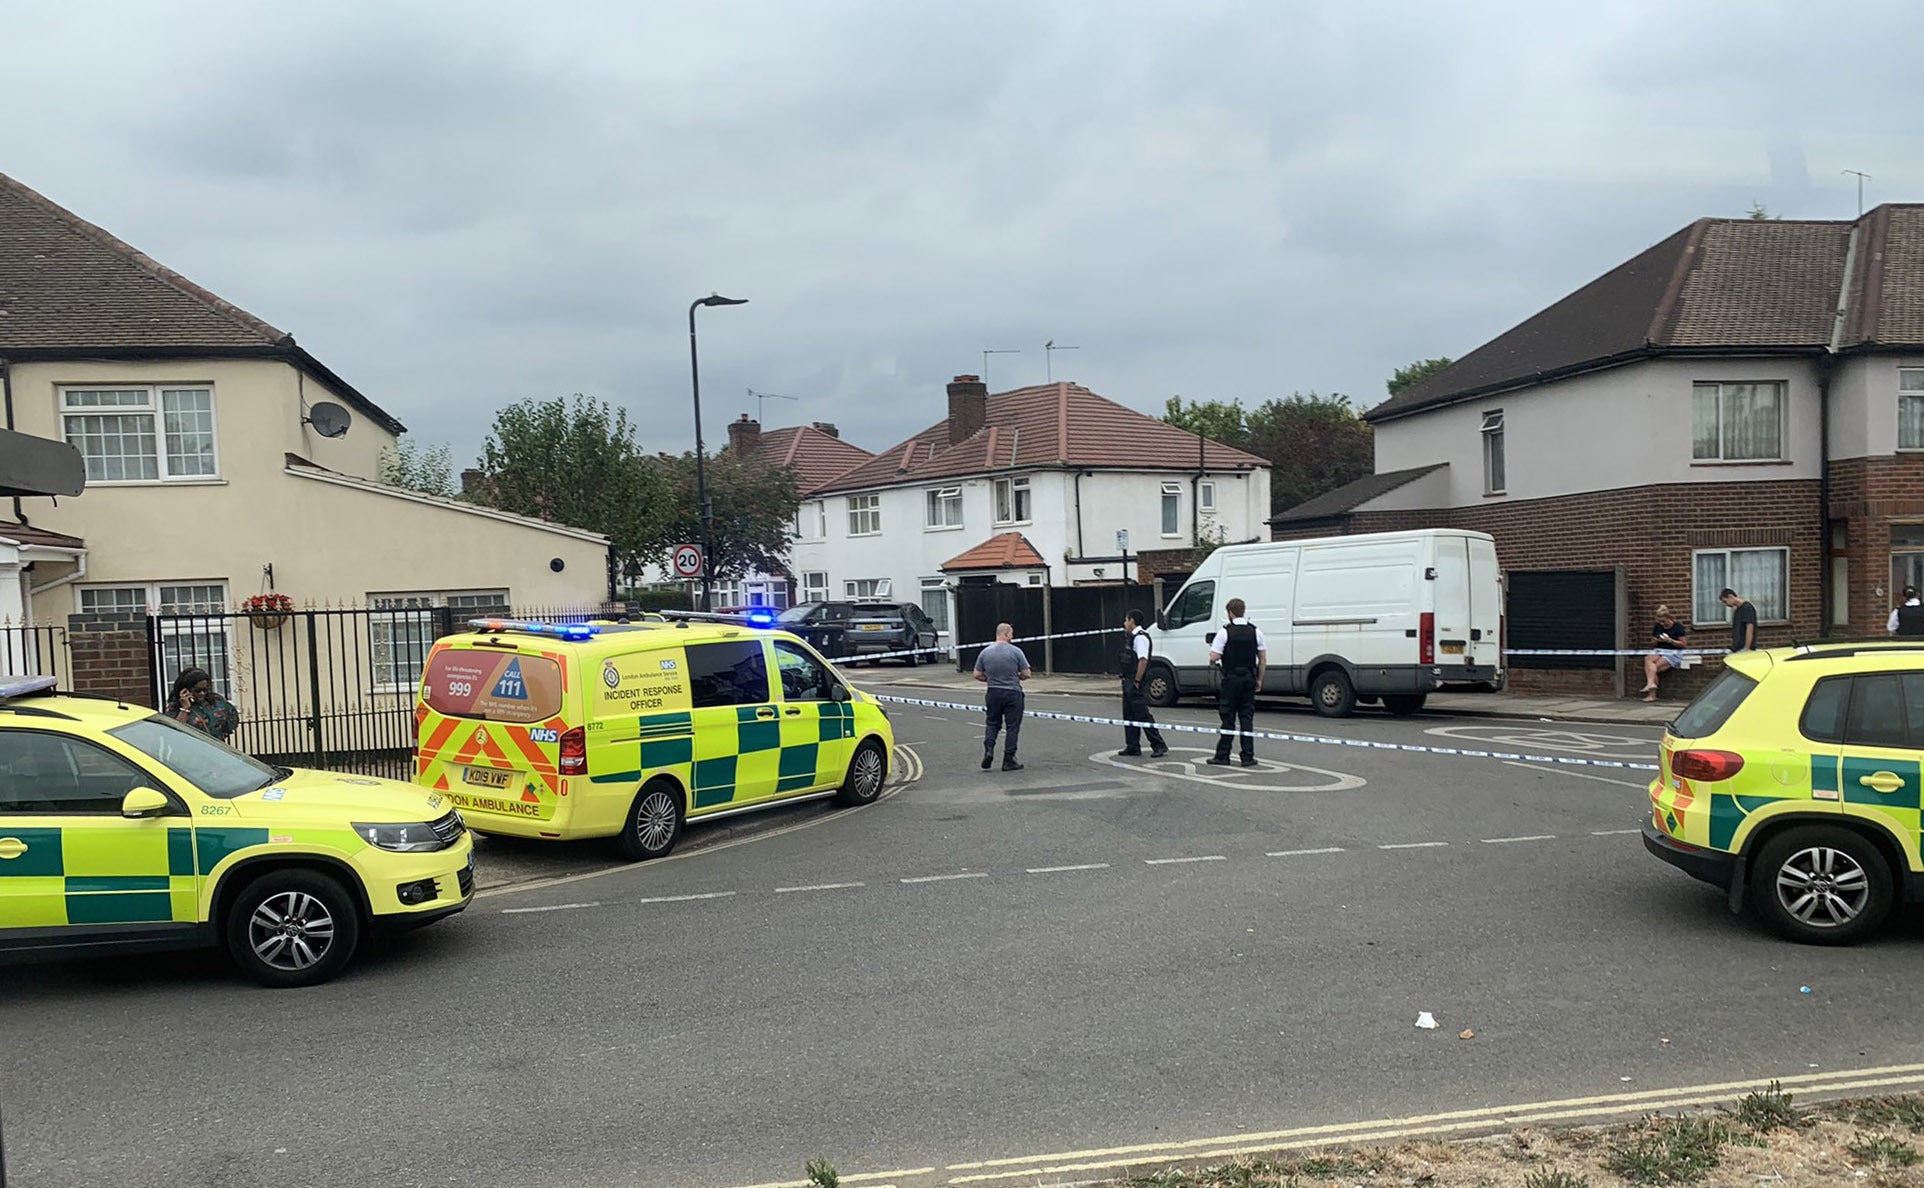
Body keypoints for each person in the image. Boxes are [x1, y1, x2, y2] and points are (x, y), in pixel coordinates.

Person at [1207, 598, 1267, 767]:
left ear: (1230, 613)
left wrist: (1215, 658)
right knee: (1246, 717)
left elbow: (1214, 656)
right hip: (1249, 678)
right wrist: (1259, 679)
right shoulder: (1256, 632)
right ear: (1243, 611)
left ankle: (1223, 755)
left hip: (1231, 679)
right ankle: (1247, 756)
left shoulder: (1225, 632)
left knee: (1228, 717)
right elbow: (1262, 659)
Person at [972, 622, 1031, 772]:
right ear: (1005, 634)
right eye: (1011, 633)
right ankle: (1009, 760)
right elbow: (1026, 673)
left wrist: (990, 679)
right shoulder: (1016, 651)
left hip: (993, 692)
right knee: (1012, 727)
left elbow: (977, 674)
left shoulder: (985, 652)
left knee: (992, 723)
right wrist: (1017, 677)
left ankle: (989, 750)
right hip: (1012, 692)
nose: (1013, 636)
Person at [1117, 609, 1168, 758]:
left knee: (1143, 715)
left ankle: (1159, 745)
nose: (1124, 623)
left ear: (1132, 621)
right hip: (1128, 679)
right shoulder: (1132, 637)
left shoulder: (1140, 638)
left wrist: (1137, 681)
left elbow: (1143, 660)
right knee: (1129, 715)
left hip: (1135, 681)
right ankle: (1132, 746)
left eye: (1126, 620)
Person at [170, 667, 238, 743]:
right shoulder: (175, 707)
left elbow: (230, 720)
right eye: (197, 690)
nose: (202, 693)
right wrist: (185, 708)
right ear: (186, 690)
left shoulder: (215, 701)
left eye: (205, 689)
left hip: (215, 748)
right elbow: (174, 733)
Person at [1639, 606, 1689, 702]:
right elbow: (1653, 642)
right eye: (1660, 622)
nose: (1662, 624)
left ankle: (1652, 694)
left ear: (1669, 618)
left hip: (1673, 652)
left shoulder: (1678, 628)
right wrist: (1656, 640)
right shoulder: (1658, 626)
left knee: (1654, 669)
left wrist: (1669, 640)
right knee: (1648, 659)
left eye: (1664, 621)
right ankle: (1651, 683)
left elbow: (1683, 644)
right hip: (1660, 649)